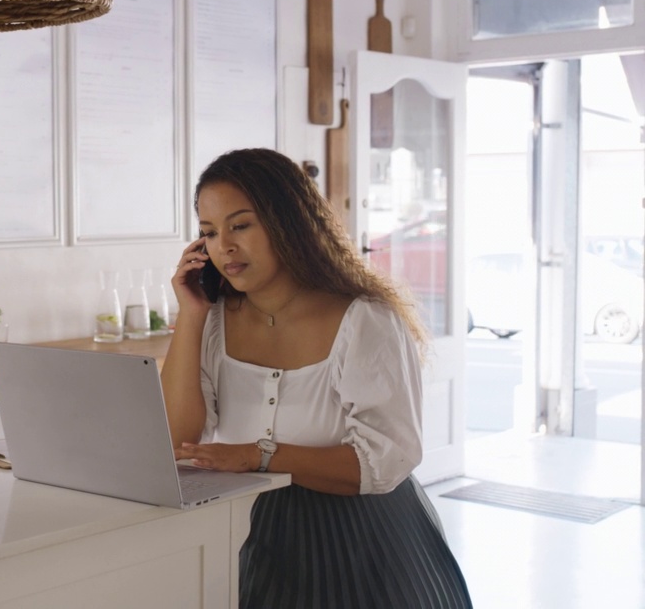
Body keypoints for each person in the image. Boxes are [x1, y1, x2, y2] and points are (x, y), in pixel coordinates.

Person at [162, 148, 473, 608]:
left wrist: (257, 455)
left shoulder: (366, 320)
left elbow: (386, 460)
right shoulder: (211, 323)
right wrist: (190, 316)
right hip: (243, 531)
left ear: (288, 222)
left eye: (241, 225)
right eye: (208, 232)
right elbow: (178, 439)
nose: (223, 246)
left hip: (362, 541)